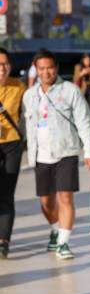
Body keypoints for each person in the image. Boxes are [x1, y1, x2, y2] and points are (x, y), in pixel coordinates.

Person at [23, 49, 90, 260]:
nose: (46, 72)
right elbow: (26, 125)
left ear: (56, 68)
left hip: (67, 151)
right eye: (42, 68)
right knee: (46, 202)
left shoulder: (70, 90)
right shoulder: (30, 95)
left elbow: (84, 120)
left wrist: (89, 150)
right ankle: (56, 230)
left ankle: (64, 242)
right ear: (35, 69)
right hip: (40, 155)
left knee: (65, 196)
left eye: (50, 68)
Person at [0, 48, 26, 259]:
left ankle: (4, 241)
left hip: (12, 145)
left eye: (5, 64)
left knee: (7, 194)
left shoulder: (19, 87)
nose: (2, 69)